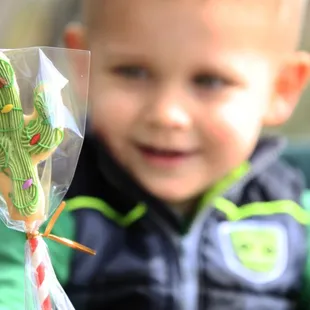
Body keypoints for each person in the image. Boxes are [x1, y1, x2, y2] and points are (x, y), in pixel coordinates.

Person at [1, 0, 310, 309]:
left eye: (209, 81)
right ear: (84, 66)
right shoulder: (50, 206)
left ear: (281, 88)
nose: (167, 114)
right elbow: (12, 286)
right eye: (133, 72)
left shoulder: (296, 211)